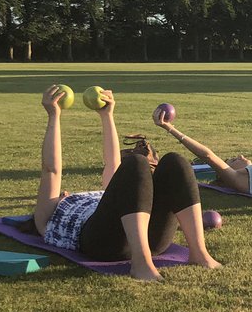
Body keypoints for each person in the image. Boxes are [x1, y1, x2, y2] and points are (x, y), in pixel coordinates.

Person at [32, 85, 221, 282]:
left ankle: (199, 254)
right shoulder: (47, 214)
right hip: (104, 244)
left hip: (152, 238)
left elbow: (113, 163)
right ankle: (141, 263)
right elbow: (51, 170)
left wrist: (107, 116)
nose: (65, 193)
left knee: (175, 161)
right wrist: (54, 116)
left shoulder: (104, 196)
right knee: (136, 163)